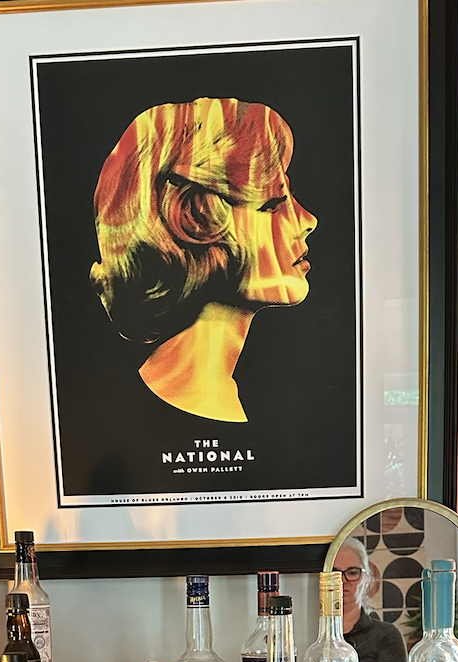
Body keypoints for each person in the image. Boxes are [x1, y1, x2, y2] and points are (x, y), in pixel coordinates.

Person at [90, 97, 317, 423]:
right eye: (271, 204)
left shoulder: (233, 394)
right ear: (196, 219)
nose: (307, 220)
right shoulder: (160, 402)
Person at [332, 536, 407, 662]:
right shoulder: (307, 634)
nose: (342, 581)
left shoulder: (387, 635)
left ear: (366, 579)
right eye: (334, 573)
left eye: (352, 572)